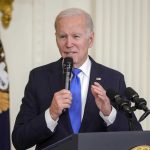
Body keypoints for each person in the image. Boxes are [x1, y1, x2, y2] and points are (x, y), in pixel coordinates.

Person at [12, 8, 142, 150]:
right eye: (62, 36)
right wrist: (51, 114)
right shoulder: (39, 77)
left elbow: (135, 138)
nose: (68, 44)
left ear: (90, 39)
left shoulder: (113, 79)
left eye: (76, 36)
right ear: (56, 38)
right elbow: (19, 140)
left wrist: (109, 112)